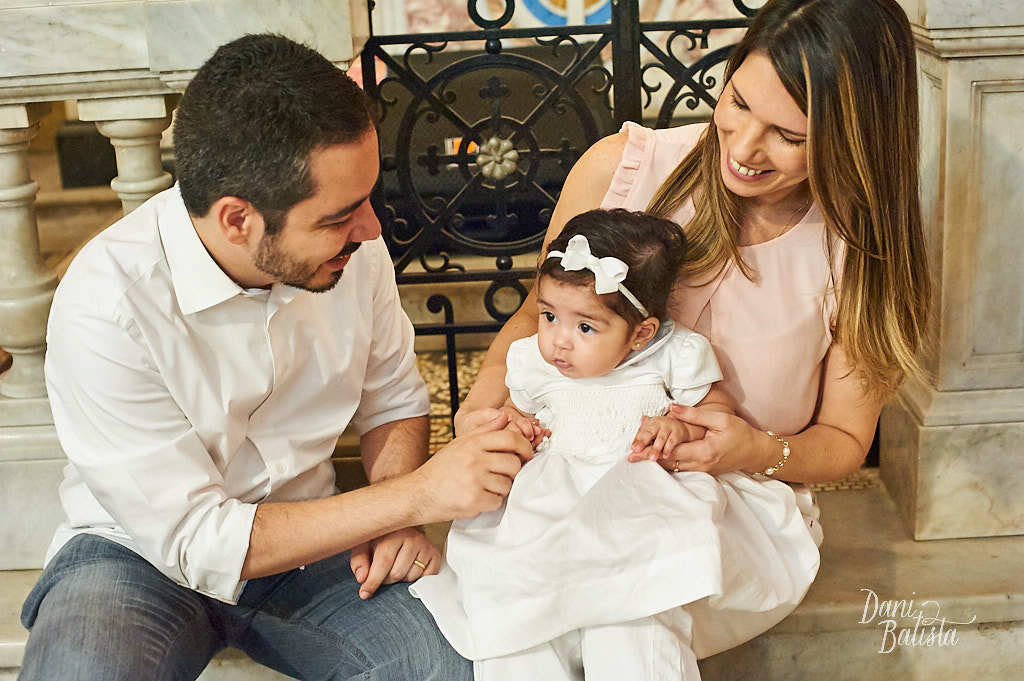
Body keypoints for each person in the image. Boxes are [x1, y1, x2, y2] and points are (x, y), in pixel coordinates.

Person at [18, 34, 533, 681]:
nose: (373, 230)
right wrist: (415, 496)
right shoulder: (105, 303)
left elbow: (396, 399)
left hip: (315, 546)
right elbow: (195, 538)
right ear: (238, 219)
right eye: (340, 216)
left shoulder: (354, 250)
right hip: (134, 556)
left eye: (368, 200)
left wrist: (392, 509)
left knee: (453, 667)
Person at [454, 0, 930, 671]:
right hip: (564, 479)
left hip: (728, 507)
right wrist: (483, 410)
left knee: (631, 610)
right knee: (523, 635)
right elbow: (536, 319)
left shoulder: (858, 254)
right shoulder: (621, 169)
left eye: (789, 136)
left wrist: (757, 448)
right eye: (737, 102)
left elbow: (845, 440)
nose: (742, 148)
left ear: (857, 135)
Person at [412, 209, 821, 680]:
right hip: (551, 506)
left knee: (637, 613)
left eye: (585, 327)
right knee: (518, 619)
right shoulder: (531, 363)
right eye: (548, 316)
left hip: (639, 500)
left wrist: (678, 429)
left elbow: (716, 416)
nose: (559, 341)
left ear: (641, 333)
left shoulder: (673, 355)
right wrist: (516, 426)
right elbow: (515, 414)